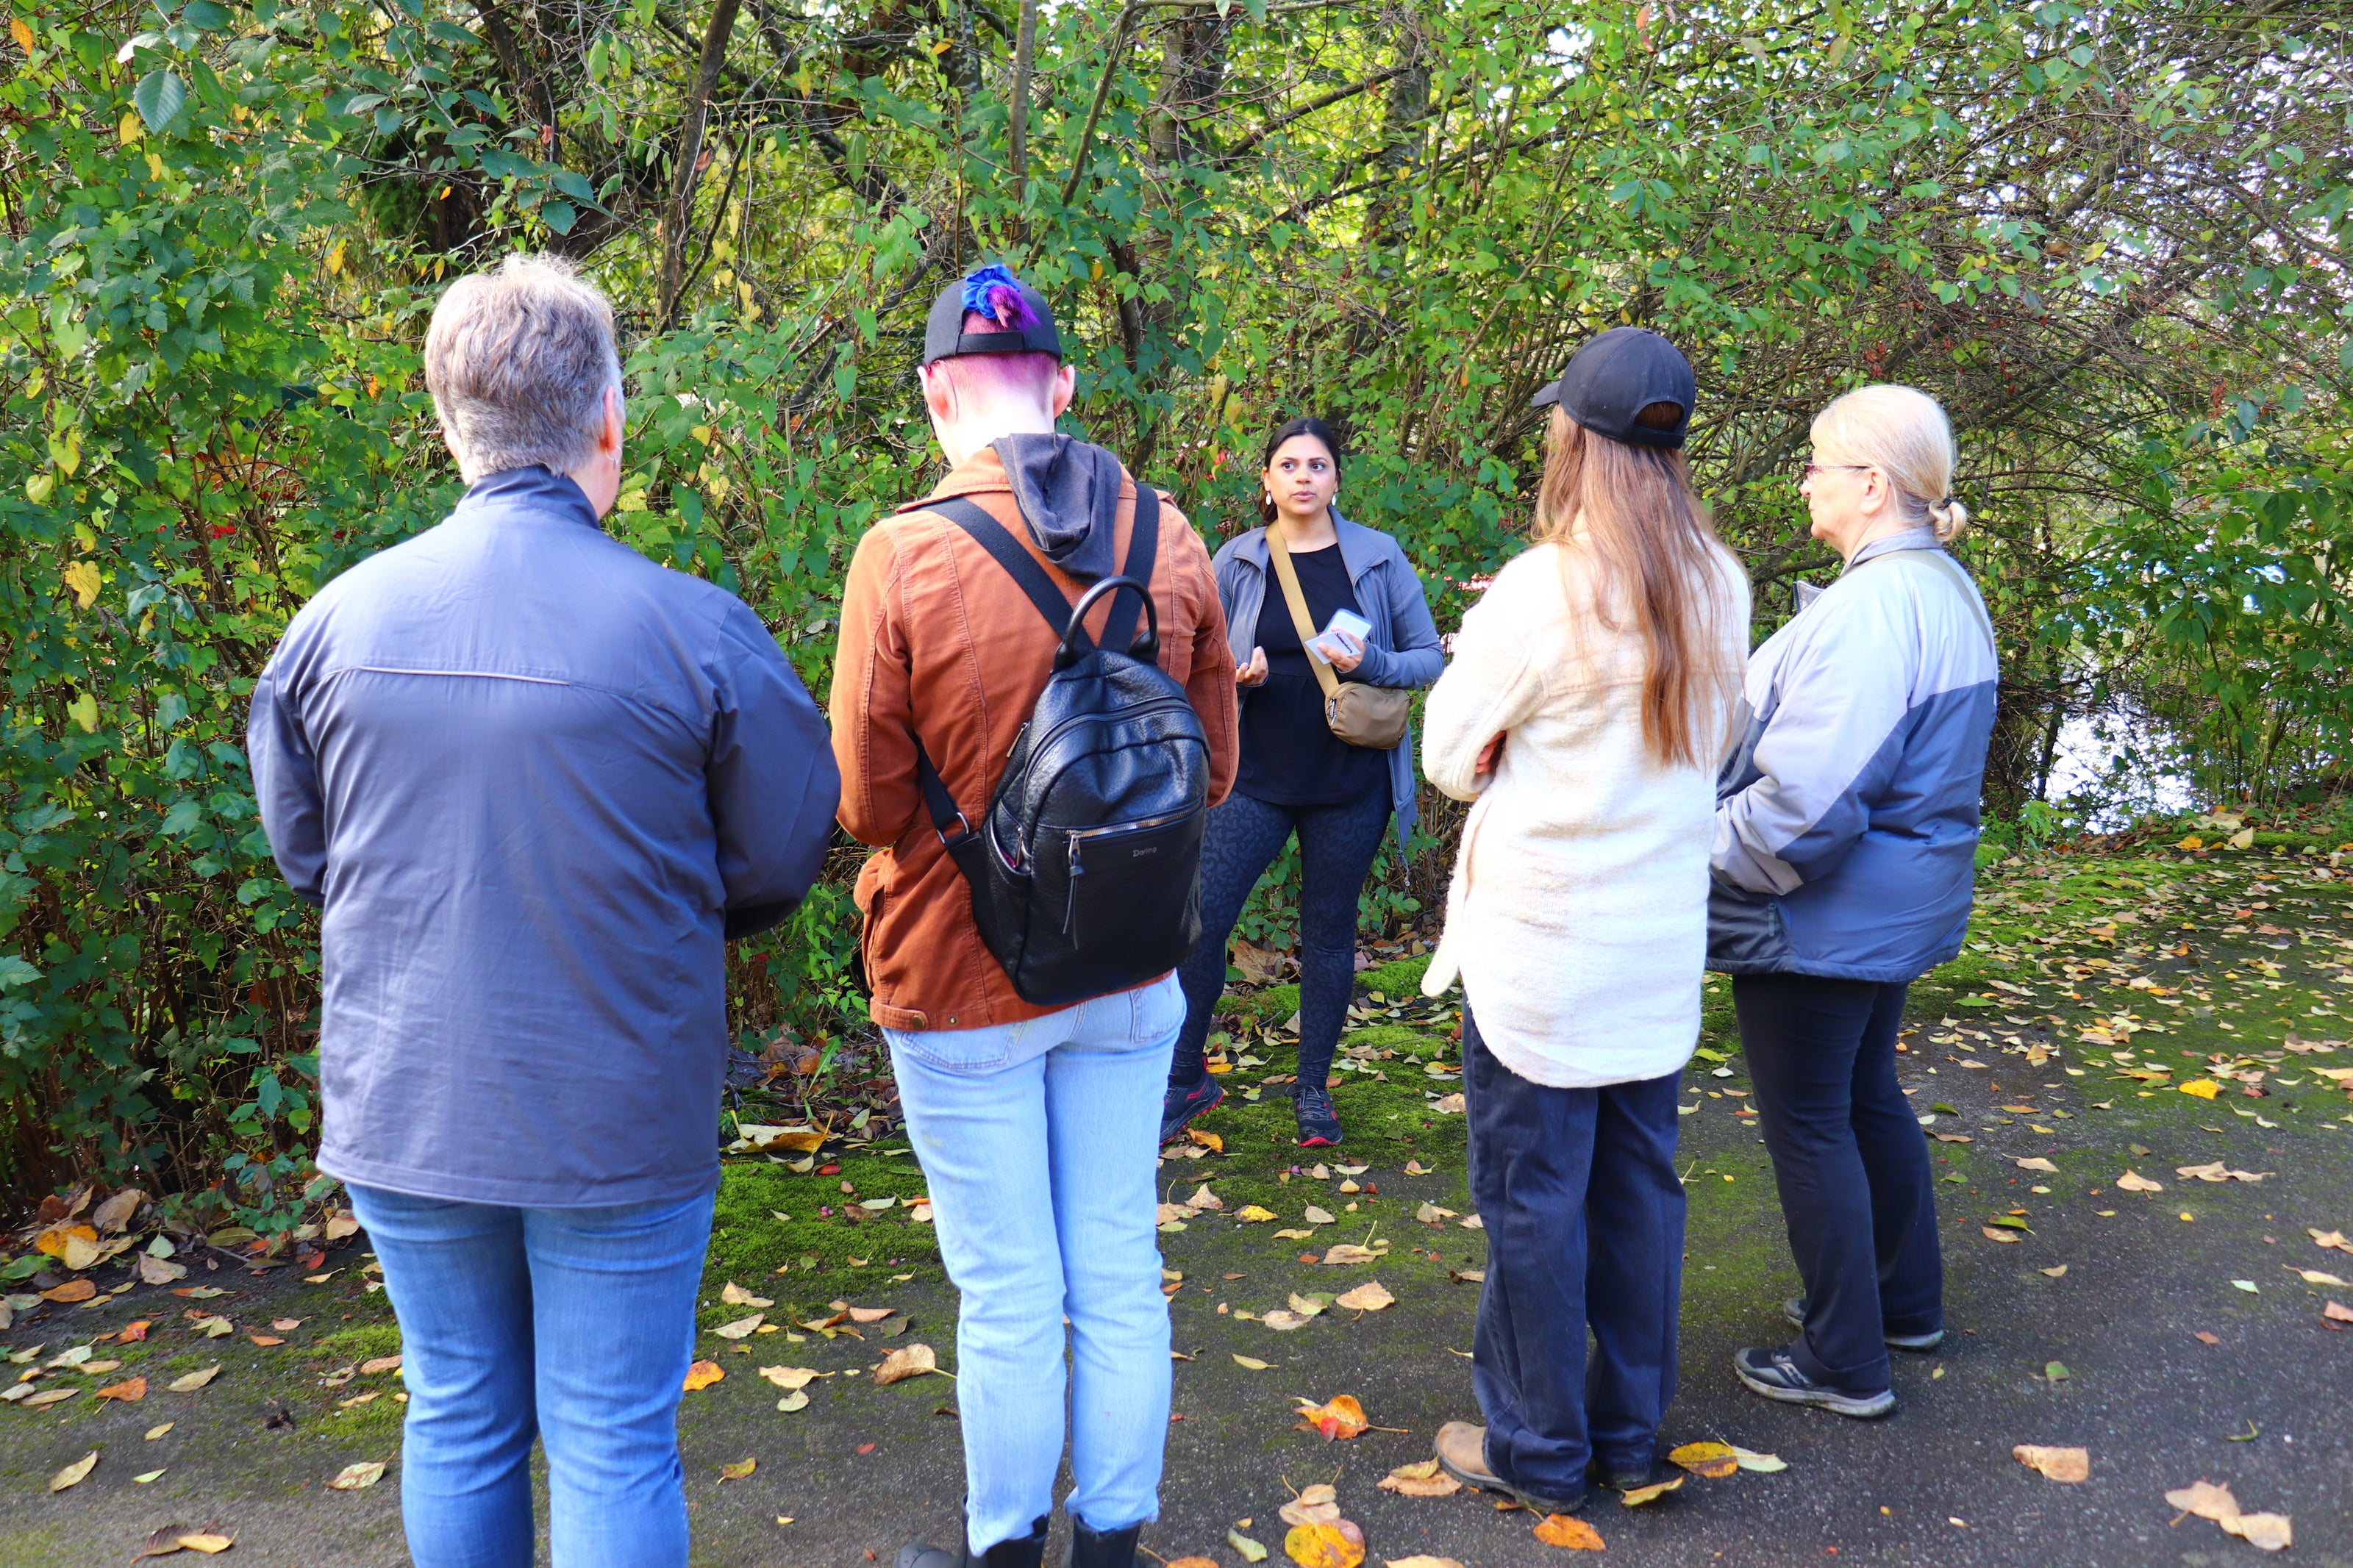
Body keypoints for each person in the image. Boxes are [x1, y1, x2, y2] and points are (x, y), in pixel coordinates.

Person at [247, 255, 839, 1568]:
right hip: (616, 1099)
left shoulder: (334, 624)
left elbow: (310, 852)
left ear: (447, 422)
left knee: (456, 1412)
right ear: (610, 419)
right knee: (612, 1434)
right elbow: (783, 849)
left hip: (409, 1098)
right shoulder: (695, 630)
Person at [830, 264, 1238, 1568]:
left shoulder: (901, 552)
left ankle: (1004, 1550)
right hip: (1129, 968)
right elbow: (1214, 769)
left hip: (960, 971)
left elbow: (864, 800)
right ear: (1062, 386)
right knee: (1115, 1263)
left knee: (1009, 1289)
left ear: (937, 396)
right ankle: (1114, 1543)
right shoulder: (1168, 536)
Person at [1418, 327, 1750, 1513]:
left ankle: (1539, 1450)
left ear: (1575, 440)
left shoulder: (1540, 587)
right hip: (1653, 953)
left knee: (1533, 1202)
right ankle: (1628, 1438)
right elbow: (1713, 750)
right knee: (1639, 1196)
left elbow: (1450, 755)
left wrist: (1493, 688)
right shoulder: (1722, 581)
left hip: (1541, 960)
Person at [1710, 383, 1996, 1418]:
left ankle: (1845, 1361)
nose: (1805, 480)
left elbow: (1804, 809)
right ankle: (1902, 1304)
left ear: (1873, 485)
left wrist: (1695, 849)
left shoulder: (1879, 607)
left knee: (1811, 1123)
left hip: (1823, 921)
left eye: (1820, 462)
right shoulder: (1940, 585)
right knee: (1866, 1095)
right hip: (1894, 906)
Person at [1162, 417, 1442, 1149]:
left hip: (1350, 781)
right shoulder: (1237, 559)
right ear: (1266, 480)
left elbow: (1425, 660)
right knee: (1201, 922)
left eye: (1317, 465)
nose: (1302, 476)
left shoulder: (1377, 559)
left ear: (1335, 480)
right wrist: (1235, 674)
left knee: (1326, 934)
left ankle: (1312, 1090)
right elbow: (1200, 654)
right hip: (1252, 774)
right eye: (1287, 464)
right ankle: (1185, 1076)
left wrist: (1369, 665)